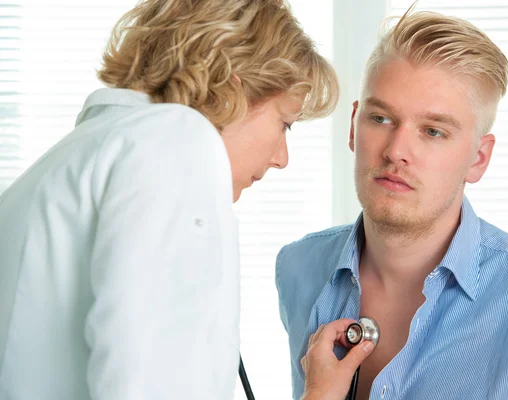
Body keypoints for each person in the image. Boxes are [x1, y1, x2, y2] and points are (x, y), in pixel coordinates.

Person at [0, 1, 338, 399]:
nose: (282, 158)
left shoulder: (80, 157)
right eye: (284, 123)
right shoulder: (176, 140)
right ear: (234, 86)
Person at [276, 6, 508, 400]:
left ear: (478, 159)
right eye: (380, 119)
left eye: (432, 131)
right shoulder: (298, 269)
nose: (396, 151)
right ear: (353, 126)